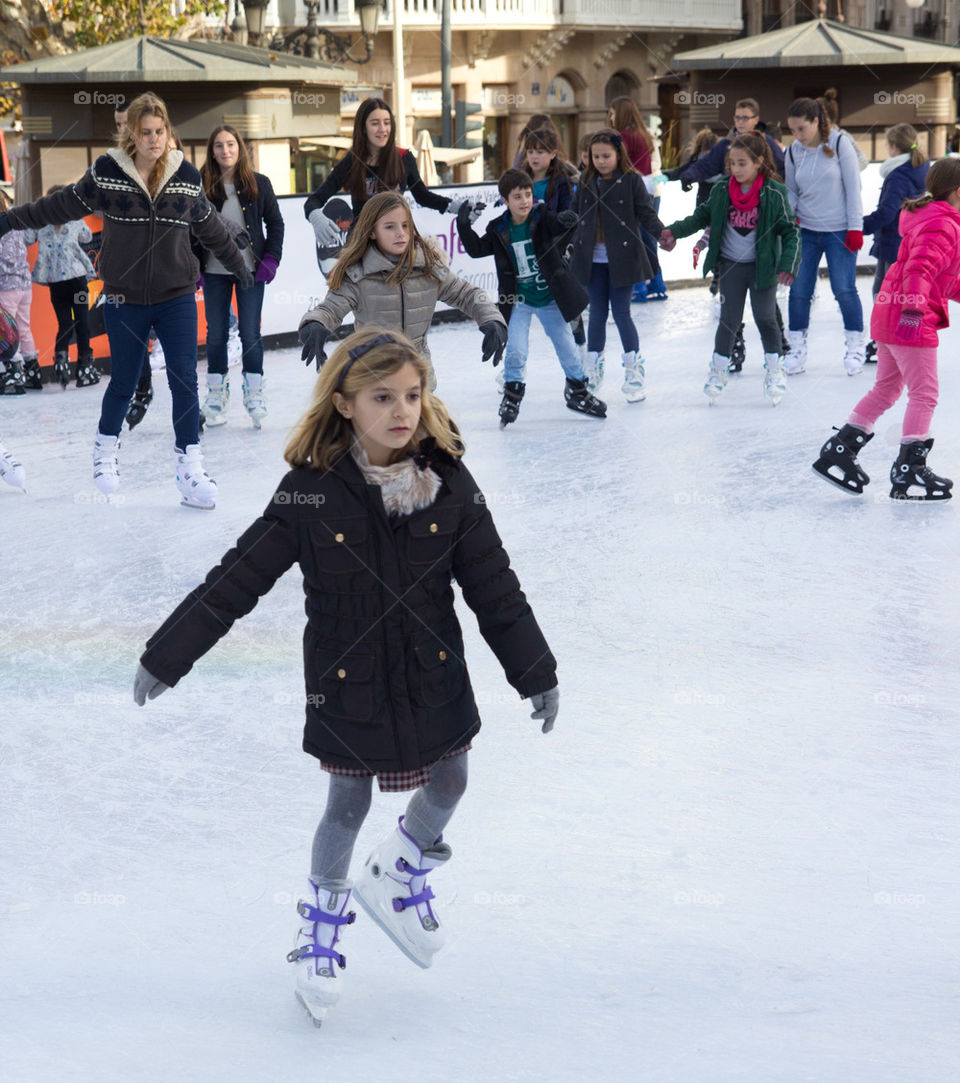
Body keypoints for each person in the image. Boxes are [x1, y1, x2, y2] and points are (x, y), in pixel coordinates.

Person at [132, 326, 560, 1025]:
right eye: (382, 396)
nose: (402, 410)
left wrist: (533, 668)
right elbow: (235, 579)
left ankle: (400, 870)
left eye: (413, 395)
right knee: (348, 804)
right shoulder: (310, 493)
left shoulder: (449, 481)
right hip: (348, 676)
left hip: (432, 670)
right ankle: (320, 926)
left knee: (452, 780)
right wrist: (167, 654)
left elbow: (494, 585)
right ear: (344, 404)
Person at [0, 92, 253, 508]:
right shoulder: (106, 174)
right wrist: (10, 219)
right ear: (131, 135)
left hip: (176, 297)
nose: (154, 139)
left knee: (184, 378)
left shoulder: (185, 175)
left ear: (168, 132)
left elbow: (210, 227)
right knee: (123, 380)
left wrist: (240, 268)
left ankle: (189, 466)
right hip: (123, 297)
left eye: (160, 131)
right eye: (145, 132)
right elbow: (59, 205)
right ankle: (104, 450)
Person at [812, 158, 960, 501]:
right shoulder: (944, 224)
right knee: (924, 393)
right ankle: (910, 470)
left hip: (889, 313)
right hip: (909, 316)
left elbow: (939, 278)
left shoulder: (929, 219)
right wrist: (912, 313)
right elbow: (920, 271)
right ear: (956, 192)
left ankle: (840, 449)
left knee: (887, 389)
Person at [298, 192, 506, 389]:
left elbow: (466, 294)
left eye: (405, 225)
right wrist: (315, 323)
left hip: (417, 380)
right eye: (390, 226)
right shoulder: (358, 275)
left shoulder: (428, 268)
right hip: (373, 380)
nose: (400, 233)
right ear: (371, 231)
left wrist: (491, 318)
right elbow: (331, 308)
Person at [457, 167, 605, 425]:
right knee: (516, 351)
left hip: (550, 299)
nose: (524, 201)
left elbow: (557, 224)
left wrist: (568, 218)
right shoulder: (498, 229)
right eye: (517, 196)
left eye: (527, 194)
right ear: (505, 201)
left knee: (568, 348)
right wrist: (463, 224)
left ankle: (577, 391)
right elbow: (476, 250)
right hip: (518, 302)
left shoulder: (541, 216)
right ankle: (512, 395)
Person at [660, 133, 800, 405]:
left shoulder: (773, 192)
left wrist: (788, 264)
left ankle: (774, 371)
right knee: (728, 320)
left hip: (763, 267)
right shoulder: (723, 188)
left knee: (766, 318)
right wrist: (673, 231)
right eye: (732, 163)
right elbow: (702, 216)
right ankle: (719, 370)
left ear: (759, 162)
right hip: (731, 266)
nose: (736, 169)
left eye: (742, 163)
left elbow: (790, 230)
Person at [567, 128, 665, 402]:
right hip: (592, 260)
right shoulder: (585, 182)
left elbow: (646, 214)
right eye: (594, 156)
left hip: (623, 260)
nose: (600, 161)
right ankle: (594, 369)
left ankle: (633, 371)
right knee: (597, 313)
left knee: (622, 313)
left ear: (618, 154)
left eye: (605, 156)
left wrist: (663, 234)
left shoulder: (631, 181)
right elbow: (573, 215)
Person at [198, 124, 284, 429]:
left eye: (231, 144)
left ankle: (254, 394)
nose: (225, 151)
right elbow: (188, 228)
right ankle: (217, 396)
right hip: (214, 271)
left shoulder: (259, 184)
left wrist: (271, 259)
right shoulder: (202, 185)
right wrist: (194, 266)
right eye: (219, 146)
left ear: (240, 148)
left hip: (250, 271)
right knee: (217, 333)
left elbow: (275, 224)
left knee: (250, 333)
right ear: (212, 152)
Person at [303, 98, 474, 247]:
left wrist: (455, 207)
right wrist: (316, 215)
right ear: (363, 127)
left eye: (387, 122)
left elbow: (422, 196)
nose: (382, 129)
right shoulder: (351, 162)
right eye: (375, 123)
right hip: (362, 243)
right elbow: (314, 200)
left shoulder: (403, 157)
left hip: (398, 238)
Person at [783, 97, 864, 376]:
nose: (797, 135)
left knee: (844, 289)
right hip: (805, 230)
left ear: (816, 121)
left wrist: (855, 226)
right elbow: (791, 190)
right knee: (799, 290)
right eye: (792, 130)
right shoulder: (793, 151)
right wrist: (790, 220)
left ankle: (855, 345)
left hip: (839, 230)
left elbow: (854, 187)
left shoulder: (840, 144)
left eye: (801, 129)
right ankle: (796, 348)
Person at [862, 125, 929, 363]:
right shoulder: (920, 168)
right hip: (912, 240)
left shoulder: (899, 175)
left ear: (893, 147)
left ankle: (888, 338)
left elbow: (888, 211)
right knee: (898, 292)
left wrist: (861, 226)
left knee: (883, 293)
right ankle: (895, 336)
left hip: (895, 243)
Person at [20, 187, 97, 389]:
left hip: (56, 283)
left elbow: (26, 239)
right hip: (78, 281)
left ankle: (61, 359)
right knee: (82, 321)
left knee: (64, 323)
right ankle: (84, 367)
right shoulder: (74, 218)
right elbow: (87, 237)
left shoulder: (40, 222)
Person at [606, 97, 667, 302]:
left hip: (633, 190)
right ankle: (657, 284)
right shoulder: (645, 134)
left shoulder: (622, 137)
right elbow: (654, 165)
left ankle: (639, 286)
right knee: (647, 238)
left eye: (613, 113)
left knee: (633, 239)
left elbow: (618, 166)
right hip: (651, 189)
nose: (611, 117)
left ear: (621, 113)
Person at [665, 98, 786, 187]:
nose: (740, 122)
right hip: (732, 198)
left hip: (761, 199)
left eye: (745, 118)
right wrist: (689, 176)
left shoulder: (766, 143)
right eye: (737, 117)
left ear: (756, 119)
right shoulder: (726, 144)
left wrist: (773, 191)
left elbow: (781, 170)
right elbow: (706, 165)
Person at [0, 189, 40, 393]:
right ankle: (33, 371)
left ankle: (14, 372)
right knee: (23, 328)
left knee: (8, 333)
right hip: (25, 285)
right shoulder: (15, 224)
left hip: (7, 286)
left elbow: (3, 258)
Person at [520, 127, 573, 213]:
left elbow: (566, 215)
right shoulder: (518, 178)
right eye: (530, 152)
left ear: (553, 154)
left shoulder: (562, 182)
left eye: (540, 152)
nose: (534, 157)